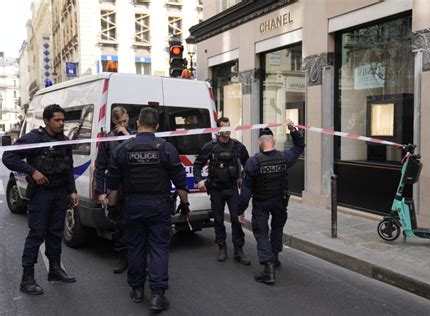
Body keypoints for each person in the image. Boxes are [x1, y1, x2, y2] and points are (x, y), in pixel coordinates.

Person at [106, 107, 190, 313]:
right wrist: (185, 205)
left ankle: (136, 289)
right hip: (159, 206)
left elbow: (113, 185)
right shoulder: (166, 148)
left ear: (137, 124)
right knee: (159, 249)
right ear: (158, 126)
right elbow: (180, 183)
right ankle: (157, 295)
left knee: (135, 247)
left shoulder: (123, 149)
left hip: (132, 206)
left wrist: (112, 207)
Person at [2, 104, 79, 295]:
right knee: (37, 234)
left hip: (60, 193)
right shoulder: (34, 138)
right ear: (46, 121)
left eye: (63, 120)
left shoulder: (63, 140)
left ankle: (55, 270)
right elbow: (8, 157)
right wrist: (32, 171)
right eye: (57, 120)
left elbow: (68, 167)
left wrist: (72, 191)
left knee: (55, 233)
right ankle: (27, 278)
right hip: (41, 194)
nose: (61, 123)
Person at [237, 120, 304, 285]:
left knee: (261, 232)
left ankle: (268, 268)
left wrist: (240, 210)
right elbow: (299, 146)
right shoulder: (284, 157)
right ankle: (275, 257)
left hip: (261, 202)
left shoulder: (253, 162)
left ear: (260, 143)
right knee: (277, 228)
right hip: (280, 202)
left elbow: (245, 191)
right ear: (273, 141)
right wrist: (293, 130)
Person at [193, 117, 251, 264]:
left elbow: (249, 165)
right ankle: (222, 247)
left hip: (232, 189)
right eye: (224, 127)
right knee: (218, 220)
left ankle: (238, 250)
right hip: (216, 189)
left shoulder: (237, 146)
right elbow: (198, 164)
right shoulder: (211, 147)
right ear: (218, 130)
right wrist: (199, 179)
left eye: (229, 126)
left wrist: (244, 181)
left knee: (235, 219)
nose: (227, 129)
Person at [95, 105, 135, 274]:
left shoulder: (136, 134)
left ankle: (137, 259)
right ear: (113, 121)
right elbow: (101, 166)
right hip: (116, 189)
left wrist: (128, 136)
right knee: (119, 226)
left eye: (125, 121)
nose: (122, 124)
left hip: (135, 187)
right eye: (119, 122)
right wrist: (101, 192)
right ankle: (122, 258)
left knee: (136, 226)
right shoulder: (108, 139)